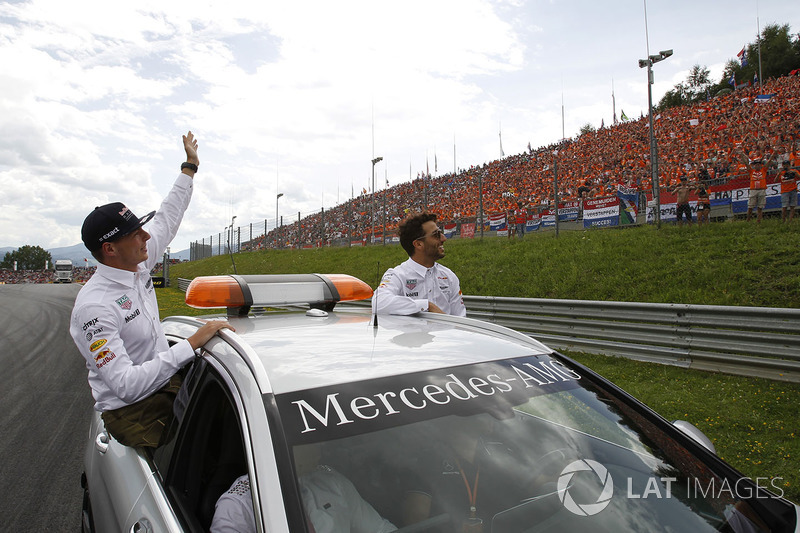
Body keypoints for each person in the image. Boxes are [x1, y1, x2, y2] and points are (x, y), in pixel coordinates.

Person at [70, 132, 233, 448]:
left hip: (163, 385)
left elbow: (168, 217)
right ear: (110, 249)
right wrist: (192, 344)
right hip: (133, 411)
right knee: (210, 456)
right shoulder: (94, 307)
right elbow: (126, 386)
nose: (146, 236)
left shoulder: (136, 262)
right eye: (134, 233)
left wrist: (189, 167)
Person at [211, 445, 397, 533]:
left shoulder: (332, 481)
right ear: (279, 447)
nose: (320, 452)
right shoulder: (239, 506)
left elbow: (380, 529)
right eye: (307, 444)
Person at [373, 212, 466, 316]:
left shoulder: (449, 276)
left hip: (444, 332)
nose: (444, 238)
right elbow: (378, 303)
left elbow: (460, 319)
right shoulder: (397, 275)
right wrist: (427, 306)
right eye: (436, 235)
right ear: (418, 244)